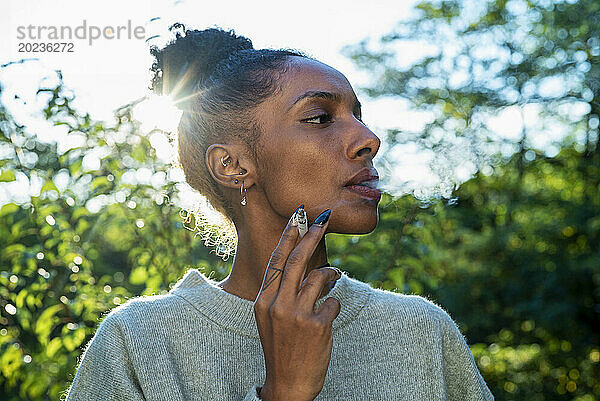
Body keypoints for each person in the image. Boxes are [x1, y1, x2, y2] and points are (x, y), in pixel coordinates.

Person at [64, 24, 494, 401]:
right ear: (233, 166)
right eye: (320, 118)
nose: (369, 139)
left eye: (357, 116)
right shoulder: (138, 343)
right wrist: (284, 393)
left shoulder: (420, 333)